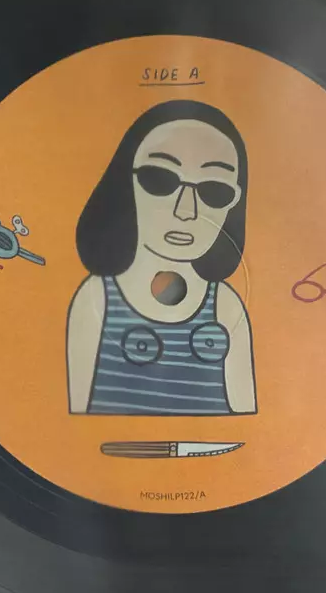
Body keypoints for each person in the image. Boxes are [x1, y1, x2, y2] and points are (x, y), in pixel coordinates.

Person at [67, 99, 256, 415]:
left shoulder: (226, 308)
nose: (186, 211)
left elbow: (248, 425)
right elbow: (72, 423)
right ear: (123, 183)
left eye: (215, 190)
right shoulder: (95, 299)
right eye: (159, 179)